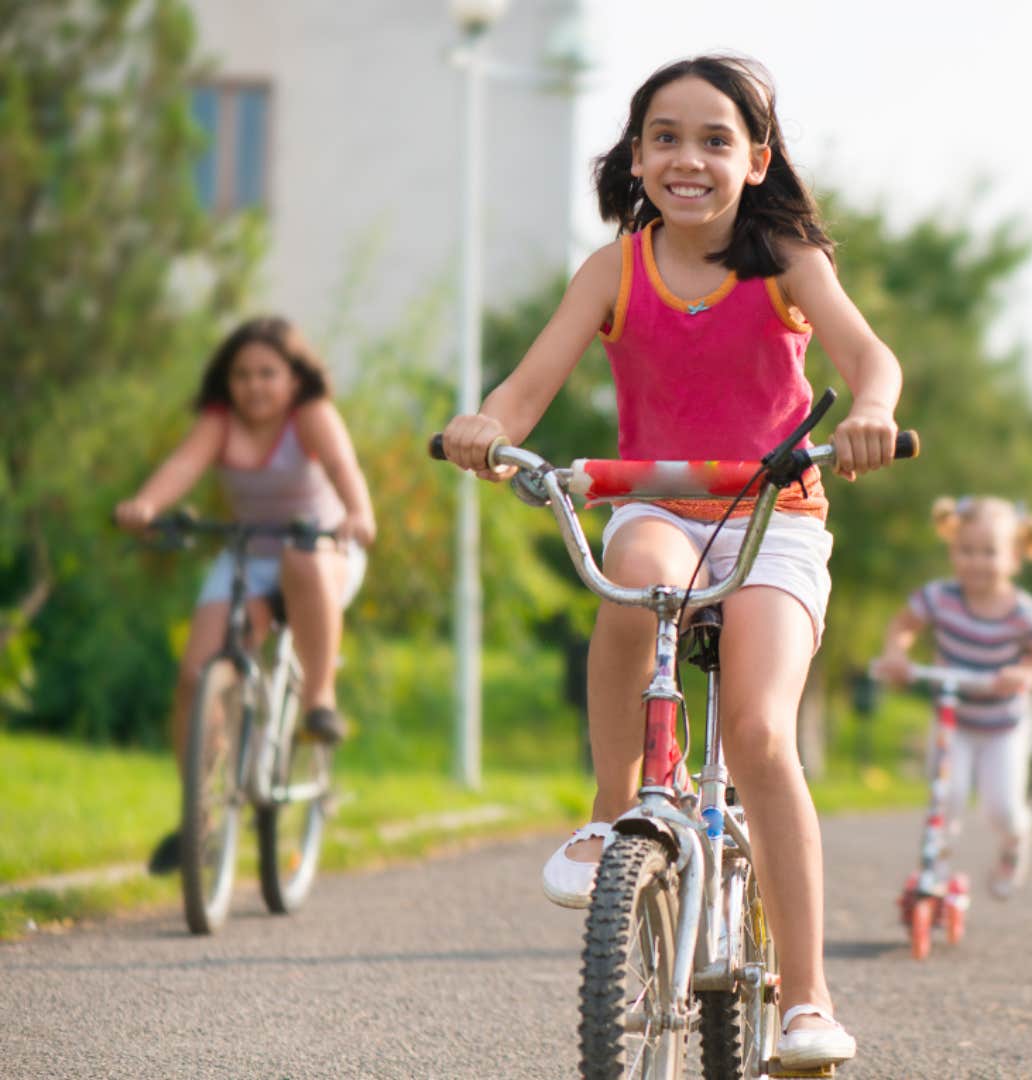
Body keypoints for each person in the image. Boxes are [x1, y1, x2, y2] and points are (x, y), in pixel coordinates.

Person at [437, 54, 901, 1069]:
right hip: (658, 504)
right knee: (630, 590)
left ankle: (809, 1002)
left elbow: (871, 358)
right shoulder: (615, 268)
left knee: (758, 731)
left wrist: (870, 412)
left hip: (772, 512)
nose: (687, 157)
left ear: (757, 159)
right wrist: (487, 424)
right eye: (665, 137)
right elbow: (528, 387)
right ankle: (617, 811)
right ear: (636, 156)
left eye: (714, 139)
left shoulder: (786, 261)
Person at [115, 315, 376, 873]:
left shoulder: (310, 415)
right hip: (251, 554)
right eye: (241, 375)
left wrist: (359, 513)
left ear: (293, 378)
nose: (254, 385)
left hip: (323, 550)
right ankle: (201, 819)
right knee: (196, 677)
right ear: (226, 382)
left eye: (267, 373)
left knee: (301, 556)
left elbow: (342, 466)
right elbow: (182, 465)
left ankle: (318, 702)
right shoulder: (219, 422)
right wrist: (146, 505)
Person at [873, 496, 1032, 900]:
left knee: (1002, 809)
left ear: (1014, 557)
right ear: (952, 550)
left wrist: (1027, 673)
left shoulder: (1023, 612)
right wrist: (897, 654)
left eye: (989, 552)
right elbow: (904, 625)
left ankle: (1015, 843)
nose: (976, 561)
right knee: (947, 796)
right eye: (966, 551)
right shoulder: (940, 597)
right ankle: (935, 869)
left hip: (1002, 726)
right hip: (952, 721)